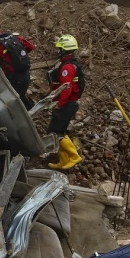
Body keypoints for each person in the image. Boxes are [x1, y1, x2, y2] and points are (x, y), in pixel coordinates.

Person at [46, 34, 85, 170]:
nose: (58, 51)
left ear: (65, 50)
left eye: (60, 48)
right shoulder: (69, 64)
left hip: (67, 103)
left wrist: (59, 104)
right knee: (59, 131)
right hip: (70, 102)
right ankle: (63, 160)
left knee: (55, 132)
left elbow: (66, 89)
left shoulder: (67, 68)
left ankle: (74, 156)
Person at [0, 21, 35, 109]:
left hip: (11, 79)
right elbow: (30, 47)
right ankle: (31, 110)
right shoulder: (15, 37)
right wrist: (16, 56)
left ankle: (20, 119)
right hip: (26, 75)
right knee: (20, 95)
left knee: (7, 103)